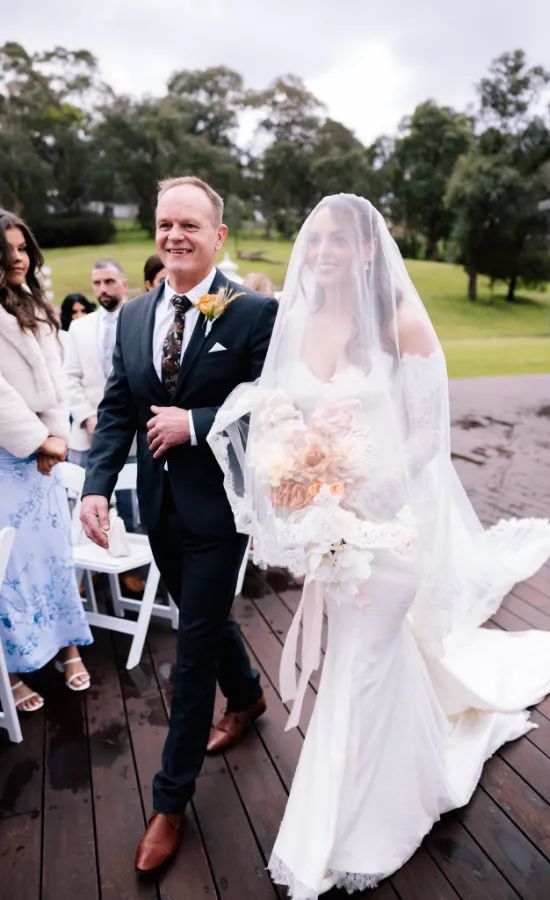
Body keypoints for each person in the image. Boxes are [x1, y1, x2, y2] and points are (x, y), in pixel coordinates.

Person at [208, 194, 550, 899]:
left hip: (390, 533)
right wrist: (300, 480)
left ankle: (338, 832)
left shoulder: (402, 325)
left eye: (338, 240)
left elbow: (426, 437)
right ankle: (417, 767)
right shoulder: (297, 324)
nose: (323, 251)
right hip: (330, 532)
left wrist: (359, 489)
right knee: (369, 660)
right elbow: (277, 415)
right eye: (315, 239)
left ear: (367, 249)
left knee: (360, 662)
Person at [79, 176, 278, 875]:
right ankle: (250, 697)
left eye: (190, 225)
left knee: (190, 654)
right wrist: (97, 487)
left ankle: (169, 803)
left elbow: (277, 408)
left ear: (217, 235)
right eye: (165, 223)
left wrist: (195, 424)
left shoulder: (254, 314)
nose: (175, 236)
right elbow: (117, 411)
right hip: (157, 511)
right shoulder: (133, 316)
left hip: (222, 511)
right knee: (201, 611)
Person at [0, 210, 93, 713]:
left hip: (46, 458)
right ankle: (14, 671)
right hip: (7, 458)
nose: (17, 257)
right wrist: (37, 440)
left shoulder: (35, 303)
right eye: (6, 249)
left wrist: (55, 436)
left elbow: (57, 379)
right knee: (11, 567)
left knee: (56, 557)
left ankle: (68, 648)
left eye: (21, 247)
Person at [64, 258, 143, 595]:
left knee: (132, 505)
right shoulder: (80, 328)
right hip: (90, 434)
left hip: (136, 433)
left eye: (109, 282)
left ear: (124, 283)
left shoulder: (140, 318)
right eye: (97, 283)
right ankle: (94, 573)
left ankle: (131, 568)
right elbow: (70, 379)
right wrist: (89, 418)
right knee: (92, 500)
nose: (102, 290)